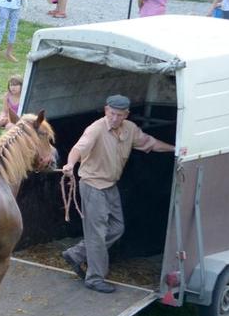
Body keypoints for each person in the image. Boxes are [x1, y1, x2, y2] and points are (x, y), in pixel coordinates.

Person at [61, 95, 175, 294]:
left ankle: (77, 253)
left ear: (126, 115)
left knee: (117, 227)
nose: (114, 118)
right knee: (97, 234)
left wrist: (174, 149)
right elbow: (78, 148)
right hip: (93, 185)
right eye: (112, 113)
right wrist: (70, 164)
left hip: (110, 186)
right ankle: (95, 278)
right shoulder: (96, 129)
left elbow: (149, 143)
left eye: (119, 115)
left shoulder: (130, 129)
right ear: (106, 110)